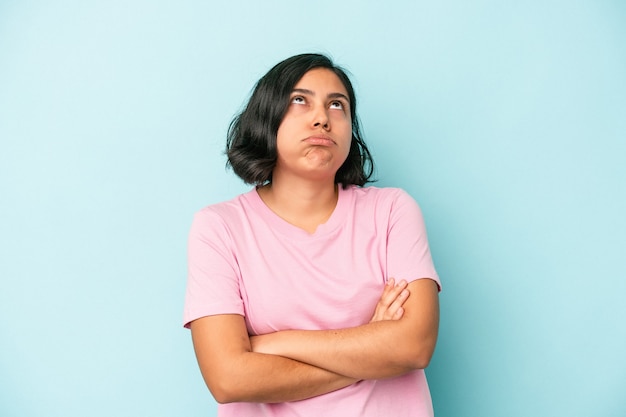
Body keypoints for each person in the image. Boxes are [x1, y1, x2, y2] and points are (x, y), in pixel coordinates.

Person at [183, 53, 441, 417]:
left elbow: (414, 346)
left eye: (337, 105)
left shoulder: (392, 211)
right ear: (267, 117)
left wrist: (276, 344)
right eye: (299, 100)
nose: (322, 118)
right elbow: (228, 379)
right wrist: (373, 348)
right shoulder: (220, 227)